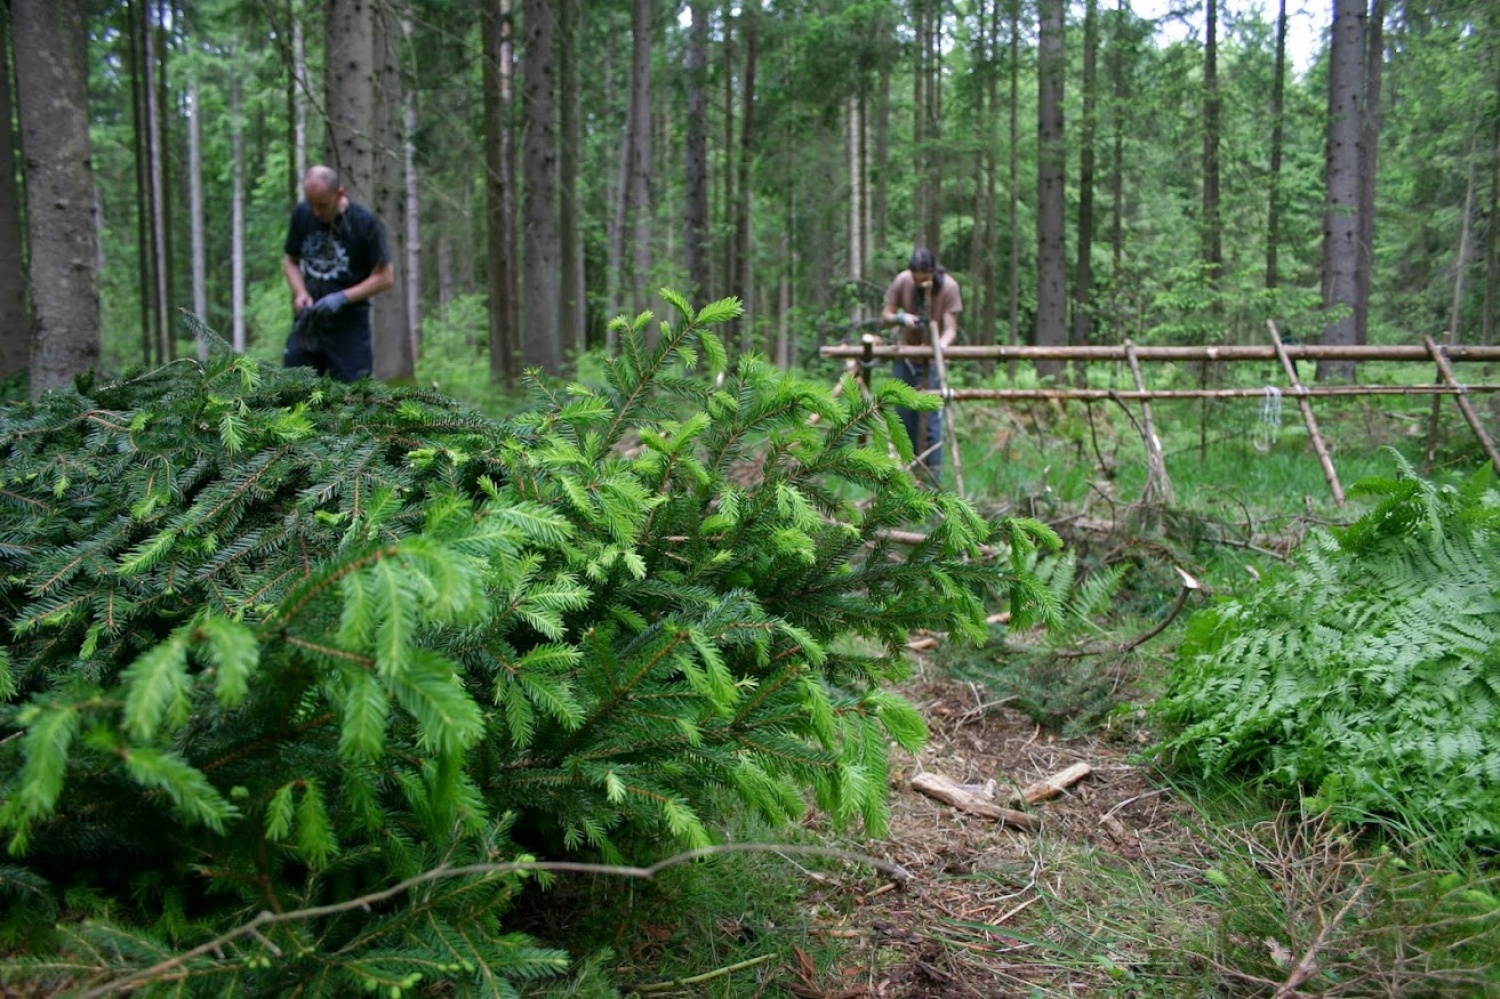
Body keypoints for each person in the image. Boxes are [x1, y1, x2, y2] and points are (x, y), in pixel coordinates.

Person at [281, 165, 395, 382]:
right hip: (308, 323)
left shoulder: (364, 222)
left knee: (355, 400)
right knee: (291, 391)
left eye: (322, 205)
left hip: (348, 327)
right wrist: (300, 293)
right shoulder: (302, 214)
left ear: (339, 194)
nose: (316, 211)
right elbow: (290, 261)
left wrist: (342, 298)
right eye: (311, 204)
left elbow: (386, 276)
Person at [881, 247, 963, 485]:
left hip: (932, 361)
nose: (920, 284)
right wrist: (901, 318)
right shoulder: (902, 281)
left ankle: (932, 481)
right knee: (904, 417)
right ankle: (906, 478)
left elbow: (951, 328)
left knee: (932, 423)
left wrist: (940, 345)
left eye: (925, 279)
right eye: (917, 280)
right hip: (906, 356)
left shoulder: (949, 287)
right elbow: (885, 315)